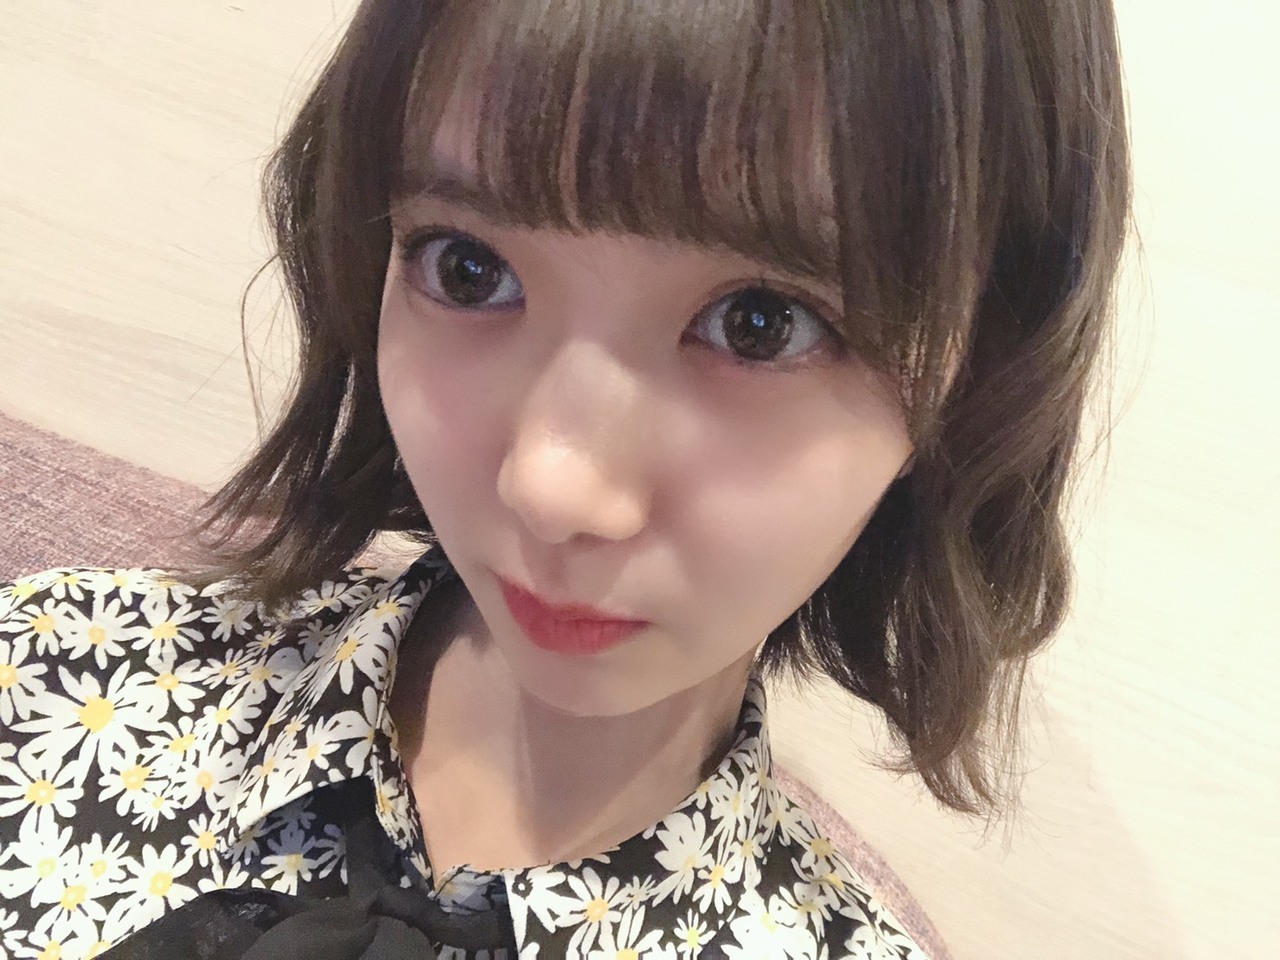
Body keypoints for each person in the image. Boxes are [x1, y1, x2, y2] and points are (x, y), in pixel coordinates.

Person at [0, 0, 1131, 957]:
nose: (552, 487)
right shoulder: (55, 679)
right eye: (467, 266)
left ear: (978, 369)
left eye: (761, 322)